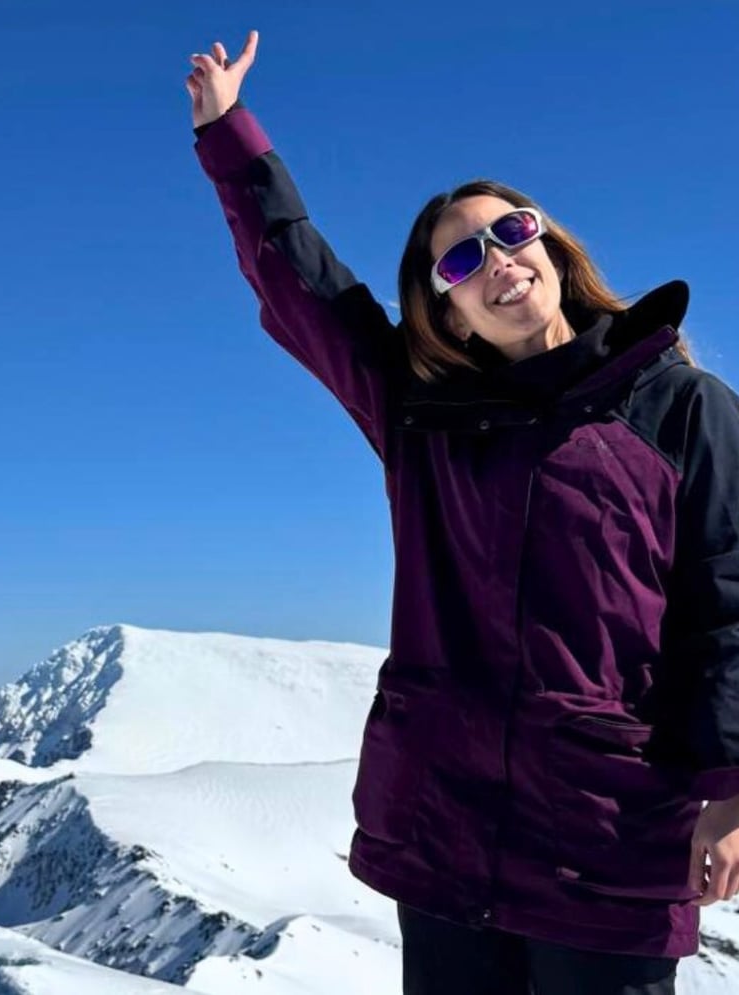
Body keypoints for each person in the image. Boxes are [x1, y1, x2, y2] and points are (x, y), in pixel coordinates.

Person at [185, 31, 739, 995]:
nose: (498, 260)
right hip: (441, 835)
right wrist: (232, 139)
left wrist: (731, 787)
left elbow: (731, 605)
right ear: (448, 314)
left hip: (604, 847)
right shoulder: (425, 420)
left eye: (512, 231)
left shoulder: (683, 407)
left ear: (552, 247)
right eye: (461, 261)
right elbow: (308, 290)